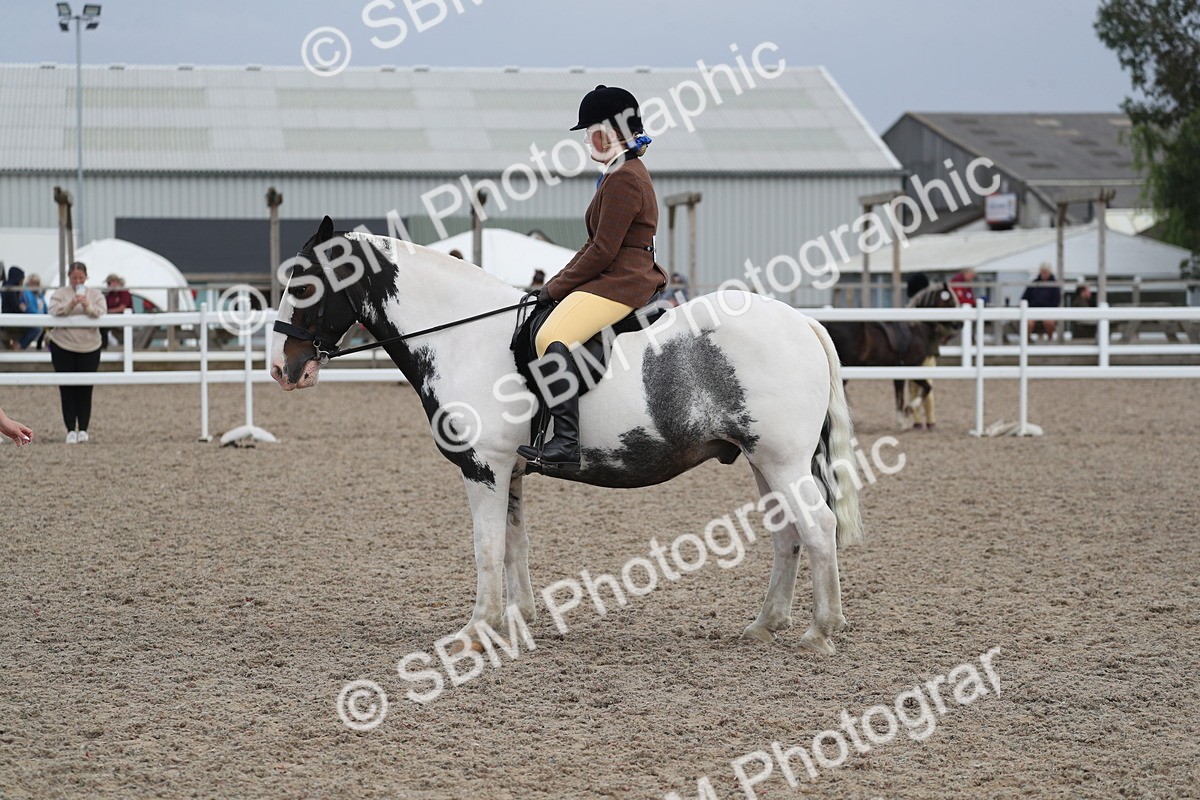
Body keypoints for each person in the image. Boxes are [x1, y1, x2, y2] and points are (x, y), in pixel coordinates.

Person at [516, 85, 668, 469]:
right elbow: (592, 246)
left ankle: (566, 443)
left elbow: (602, 252)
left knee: (552, 335)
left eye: (590, 132)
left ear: (612, 132)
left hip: (623, 281)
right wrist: (551, 286)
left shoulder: (624, 179)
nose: (586, 140)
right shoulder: (617, 172)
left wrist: (554, 289)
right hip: (617, 274)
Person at [47, 262, 106, 443]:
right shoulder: (59, 294)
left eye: (81, 278)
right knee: (66, 388)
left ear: (86, 277)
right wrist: (70, 304)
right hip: (63, 345)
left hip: (90, 347)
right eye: (74, 278)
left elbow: (101, 312)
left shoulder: (95, 294)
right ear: (69, 278)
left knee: (85, 388)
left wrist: (88, 307)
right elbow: (53, 311)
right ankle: (70, 428)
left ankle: (84, 429)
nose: (77, 281)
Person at [905, 273, 937, 430]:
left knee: (915, 386)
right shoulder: (930, 308)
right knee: (925, 385)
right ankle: (929, 419)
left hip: (914, 352)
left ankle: (919, 419)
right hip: (927, 351)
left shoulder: (912, 309)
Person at [1022, 263, 1062, 340]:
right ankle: (1027, 340)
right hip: (1032, 311)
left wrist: (1042, 304)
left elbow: (1056, 302)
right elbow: (1024, 298)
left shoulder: (1054, 285)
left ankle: (1050, 339)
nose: (1044, 274)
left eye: (1045, 272)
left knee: (1049, 322)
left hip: (1048, 311)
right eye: (1042, 272)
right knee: (1028, 322)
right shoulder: (1034, 284)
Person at [1, 265, 28, 349]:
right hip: (10, 319)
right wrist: (22, 310)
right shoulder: (11, 289)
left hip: (6, 318)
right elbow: (14, 306)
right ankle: (17, 345)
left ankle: (13, 345)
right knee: (33, 328)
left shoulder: (7, 287)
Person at [103, 274, 133, 348]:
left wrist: (108, 312)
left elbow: (122, 308)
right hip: (111, 319)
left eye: (111, 282)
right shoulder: (110, 294)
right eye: (109, 283)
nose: (110, 285)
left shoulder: (124, 292)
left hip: (123, 319)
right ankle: (104, 346)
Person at [21, 274, 48, 350]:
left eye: (37, 283)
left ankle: (40, 347)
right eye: (33, 283)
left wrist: (47, 315)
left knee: (48, 328)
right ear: (29, 283)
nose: (34, 285)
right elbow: (28, 307)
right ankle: (22, 346)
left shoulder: (40, 294)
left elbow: (44, 306)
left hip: (41, 317)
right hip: (32, 317)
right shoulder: (26, 293)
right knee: (37, 329)